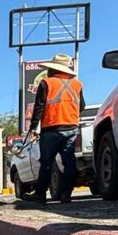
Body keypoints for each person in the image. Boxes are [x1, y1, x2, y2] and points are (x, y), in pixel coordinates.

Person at [21, 53, 85, 205]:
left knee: (47, 163)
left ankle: (40, 195)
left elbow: (39, 107)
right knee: (69, 163)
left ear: (53, 69)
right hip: (71, 127)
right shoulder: (77, 84)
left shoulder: (46, 83)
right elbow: (81, 106)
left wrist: (32, 127)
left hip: (51, 128)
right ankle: (66, 195)